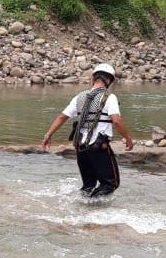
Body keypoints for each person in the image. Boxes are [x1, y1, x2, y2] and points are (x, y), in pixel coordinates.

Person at [41, 63, 134, 197]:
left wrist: (48, 136)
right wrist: (128, 138)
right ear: (109, 81)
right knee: (110, 184)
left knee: (88, 185)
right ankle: (92, 209)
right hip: (98, 146)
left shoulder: (79, 97)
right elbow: (117, 120)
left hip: (81, 146)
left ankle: (81, 208)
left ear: (93, 78)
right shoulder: (109, 97)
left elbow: (62, 117)